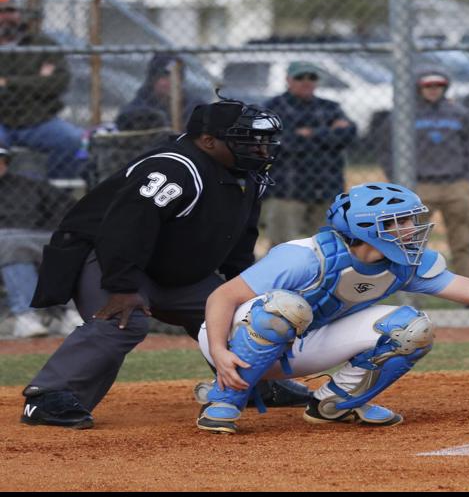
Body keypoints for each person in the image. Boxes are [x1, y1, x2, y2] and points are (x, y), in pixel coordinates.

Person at [191, 182, 469, 434]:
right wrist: (221, 353)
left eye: (412, 219)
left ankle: (334, 404)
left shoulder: (406, 262)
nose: (411, 228)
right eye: (397, 222)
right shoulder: (304, 256)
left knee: (411, 327)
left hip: (304, 344)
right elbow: (222, 297)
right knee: (285, 306)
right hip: (233, 338)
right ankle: (224, 401)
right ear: (365, 227)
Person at [18, 99, 294, 429]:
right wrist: (123, 286)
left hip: (170, 268)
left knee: (241, 314)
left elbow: (241, 239)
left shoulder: (245, 174)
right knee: (123, 320)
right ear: (208, 141)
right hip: (107, 257)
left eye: (262, 141)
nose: (261, 149)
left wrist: (243, 289)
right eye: (248, 140)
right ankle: (48, 396)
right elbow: (125, 228)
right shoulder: (173, 168)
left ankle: (250, 386)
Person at [378, 70, 469, 279]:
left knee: (463, 243)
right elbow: (386, 150)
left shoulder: (459, 113)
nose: (433, 90)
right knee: (409, 243)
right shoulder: (404, 114)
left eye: (438, 86)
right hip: (418, 186)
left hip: (455, 185)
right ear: (419, 88)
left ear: (445, 87)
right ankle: (411, 292)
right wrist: (399, 182)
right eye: (428, 86)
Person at [260, 61, 356, 248]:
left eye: (311, 77)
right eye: (300, 77)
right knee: (285, 249)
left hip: (326, 188)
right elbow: (275, 144)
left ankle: (322, 279)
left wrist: (309, 134)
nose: (306, 82)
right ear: (288, 80)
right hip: (287, 190)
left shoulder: (330, 107)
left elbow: (349, 134)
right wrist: (327, 134)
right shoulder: (272, 108)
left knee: (328, 249)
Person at [0, 0, 85, 179]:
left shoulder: (42, 44)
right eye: (1, 12)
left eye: (10, 11)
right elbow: (43, 85)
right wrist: (36, 81)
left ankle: (57, 195)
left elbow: (58, 83)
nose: (6, 17)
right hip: (2, 122)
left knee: (71, 141)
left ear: (19, 15)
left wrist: (8, 82)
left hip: (38, 119)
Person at [0, 144, 76, 337]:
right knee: (10, 241)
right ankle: (26, 315)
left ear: (6, 163)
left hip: (35, 240)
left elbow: (67, 209)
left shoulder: (28, 185)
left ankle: (70, 314)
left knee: (64, 242)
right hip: (5, 243)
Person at [114, 54, 194, 132]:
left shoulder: (189, 102)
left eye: (176, 77)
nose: (171, 82)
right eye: (164, 77)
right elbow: (123, 119)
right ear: (152, 80)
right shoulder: (144, 100)